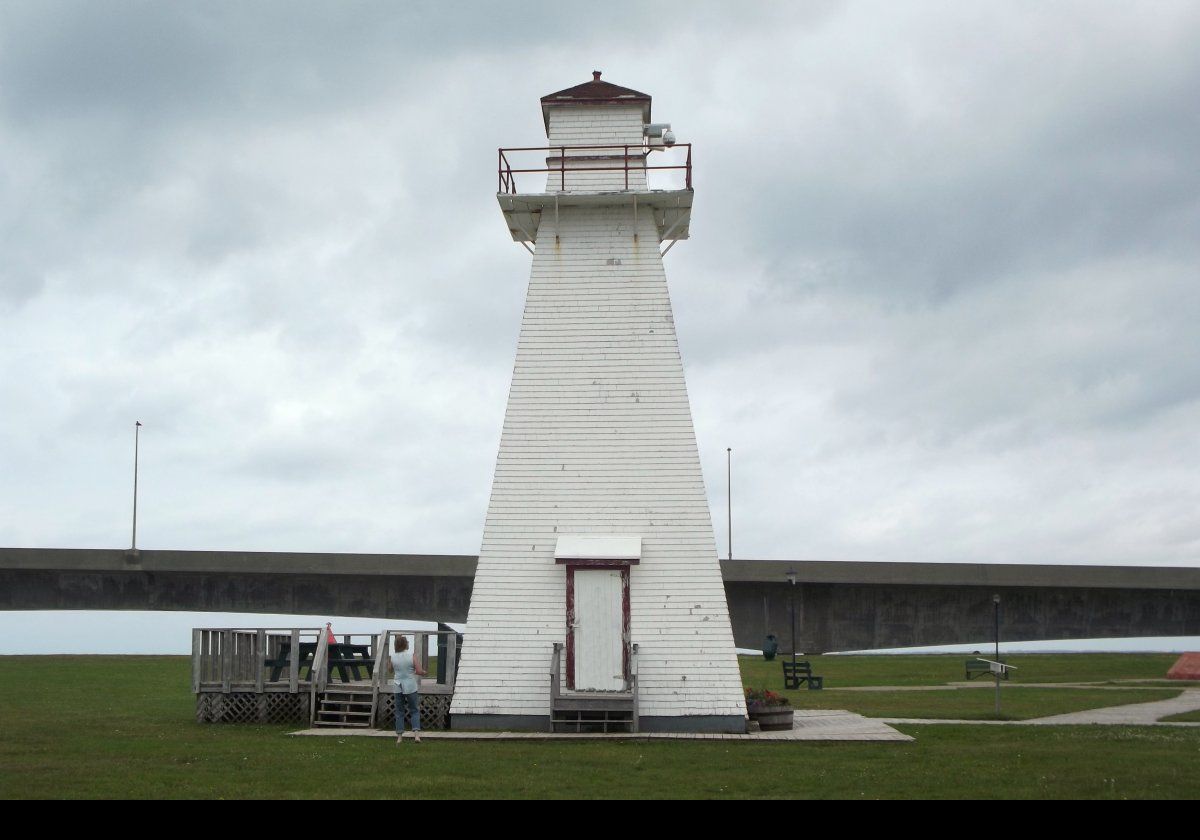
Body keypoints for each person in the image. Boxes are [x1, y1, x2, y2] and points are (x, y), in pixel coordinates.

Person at [388, 634, 426, 744]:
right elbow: (418, 671)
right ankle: (416, 736)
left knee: (399, 711)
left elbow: (390, 670)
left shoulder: (393, 656)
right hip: (410, 686)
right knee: (414, 710)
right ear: (405, 644)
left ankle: (399, 737)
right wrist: (424, 672)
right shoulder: (411, 655)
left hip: (397, 686)